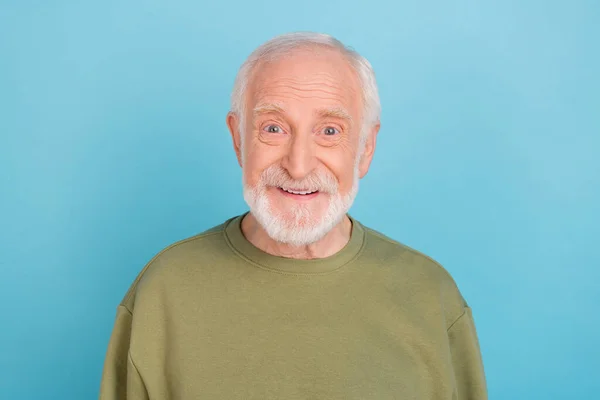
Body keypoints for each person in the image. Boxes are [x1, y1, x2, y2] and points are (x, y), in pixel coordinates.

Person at [99, 32, 487, 400]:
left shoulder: (430, 296)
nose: (298, 167)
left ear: (366, 148)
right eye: (273, 128)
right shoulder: (164, 291)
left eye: (329, 130)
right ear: (238, 139)